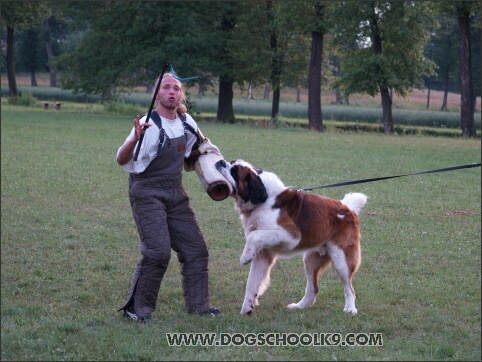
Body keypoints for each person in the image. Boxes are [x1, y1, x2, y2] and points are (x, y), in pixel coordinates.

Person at [116, 73, 221, 321]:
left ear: (180, 94)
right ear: (157, 94)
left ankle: (200, 306)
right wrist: (134, 139)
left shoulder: (186, 121)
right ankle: (136, 309)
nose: (171, 91)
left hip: (175, 191)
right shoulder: (147, 124)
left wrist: (220, 176)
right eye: (166, 87)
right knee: (157, 252)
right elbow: (121, 159)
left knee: (195, 248)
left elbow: (201, 150)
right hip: (146, 192)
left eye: (175, 88)